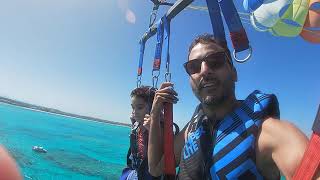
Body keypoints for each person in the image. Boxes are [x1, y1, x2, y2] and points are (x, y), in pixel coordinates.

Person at [148, 33, 317, 179]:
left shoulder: (269, 134)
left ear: (234, 73)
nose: (205, 70)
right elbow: (156, 169)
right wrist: (156, 113)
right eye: (194, 66)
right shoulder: (192, 130)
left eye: (215, 61)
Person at [120, 86, 159, 180]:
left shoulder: (158, 128)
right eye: (133, 108)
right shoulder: (137, 125)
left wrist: (153, 130)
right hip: (135, 170)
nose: (134, 112)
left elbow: (160, 159)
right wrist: (133, 124)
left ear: (152, 109)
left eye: (140, 108)